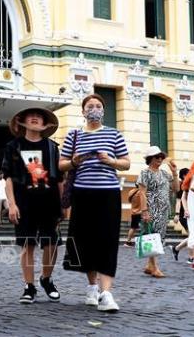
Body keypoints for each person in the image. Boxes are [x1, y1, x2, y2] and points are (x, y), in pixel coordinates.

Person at [59, 94, 130, 312]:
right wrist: (74, 161)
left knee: (107, 241)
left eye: (99, 106)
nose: (94, 109)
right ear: (83, 111)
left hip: (108, 194)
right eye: (90, 106)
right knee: (85, 241)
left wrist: (111, 161)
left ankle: (106, 293)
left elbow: (126, 163)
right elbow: (61, 165)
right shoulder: (74, 135)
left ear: (103, 111)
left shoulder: (114, 134)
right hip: (83, 194)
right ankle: (92, 287)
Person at [3, 107, 63, 304]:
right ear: (22, 121)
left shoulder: (53, 147)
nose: (36, 118)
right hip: (24, 202)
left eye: (40, 116)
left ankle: (46, 278)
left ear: (46, 124)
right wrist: (12, 204)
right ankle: (29, 286)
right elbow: (8, 178)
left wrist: (63, 204)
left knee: (51, 243)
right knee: (27, 244)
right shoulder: (13, 146)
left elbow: (61, 178)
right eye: (32, 115)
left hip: (50, 201)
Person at [137, 146, 179, 278]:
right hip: (151, 208)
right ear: (150, 159)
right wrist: (144, 211)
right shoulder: (145, 173)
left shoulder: (165, 174)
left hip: (163, 210)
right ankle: (154, 267)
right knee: (153, 236)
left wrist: (175, 173)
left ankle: (150, 265)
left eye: (161, 157)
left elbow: (176, 188)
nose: (160, 159)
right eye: (157, 157)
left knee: (158, 238)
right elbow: (142, 193)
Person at [172, 168, 194, 263]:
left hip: (192, 213)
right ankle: (191, 257)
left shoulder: (191, 185)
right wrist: (176, 214)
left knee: (193, 236)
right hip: (183, 214)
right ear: (184, 175)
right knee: (193, 236)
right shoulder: (182, 185)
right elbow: (178, 201)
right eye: (189, 173)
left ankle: (176, 248)